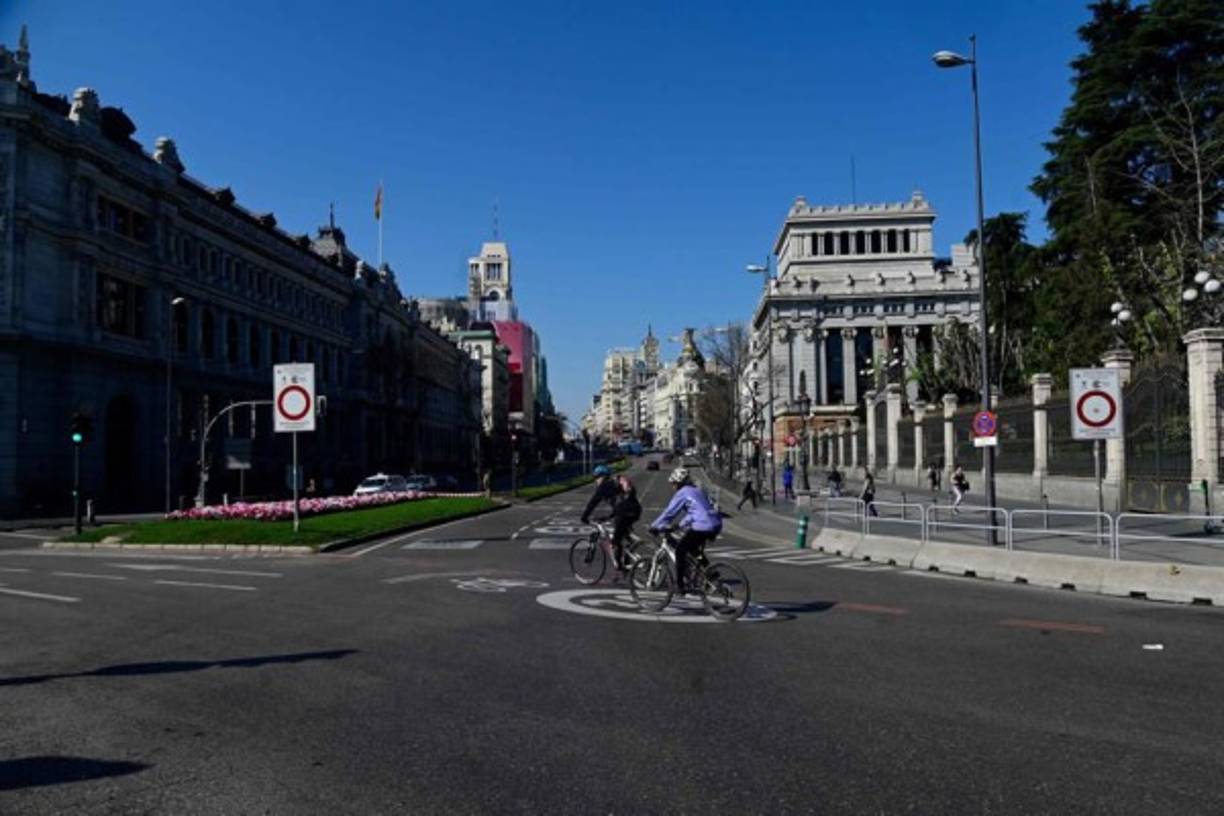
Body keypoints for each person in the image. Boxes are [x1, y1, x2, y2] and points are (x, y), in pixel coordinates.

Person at [649, 467, 722, 594]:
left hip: (703, 525)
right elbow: (695, 513)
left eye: (673, 484)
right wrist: (679, 525)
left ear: (678, 483)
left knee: (680, 551)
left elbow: (669, 513)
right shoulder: (696, 490)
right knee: (694, 549)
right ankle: (710, 571)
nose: (672, 487)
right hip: (715, 523)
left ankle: (680, 586)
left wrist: (655, 525)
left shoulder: (682, 493)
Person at [607, 475, 642, 572]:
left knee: (615, 540)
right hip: (635, 511)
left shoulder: (621, 484)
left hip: (627, 511)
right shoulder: (625, 482)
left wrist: (609, 516)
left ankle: (619, 564)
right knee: (624, 535)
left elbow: (619, 507)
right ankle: (627, 560)